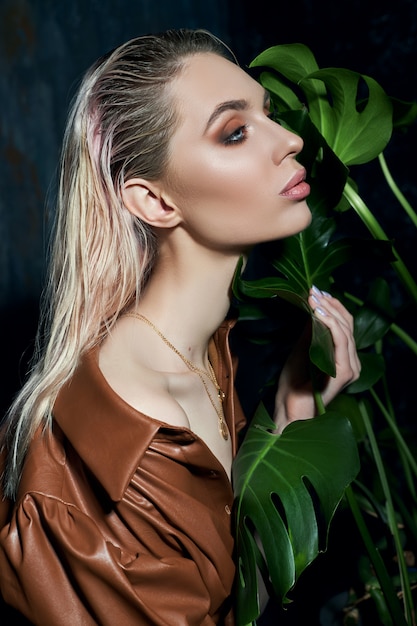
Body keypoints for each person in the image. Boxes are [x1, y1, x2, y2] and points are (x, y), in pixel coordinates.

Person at [0, 28, 360, 625]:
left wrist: (295, 416)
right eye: (235, 132)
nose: (292, 140)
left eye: (268, 115)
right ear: (156, 201)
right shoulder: (128, 432)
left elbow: (227, 605)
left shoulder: (209, 349)